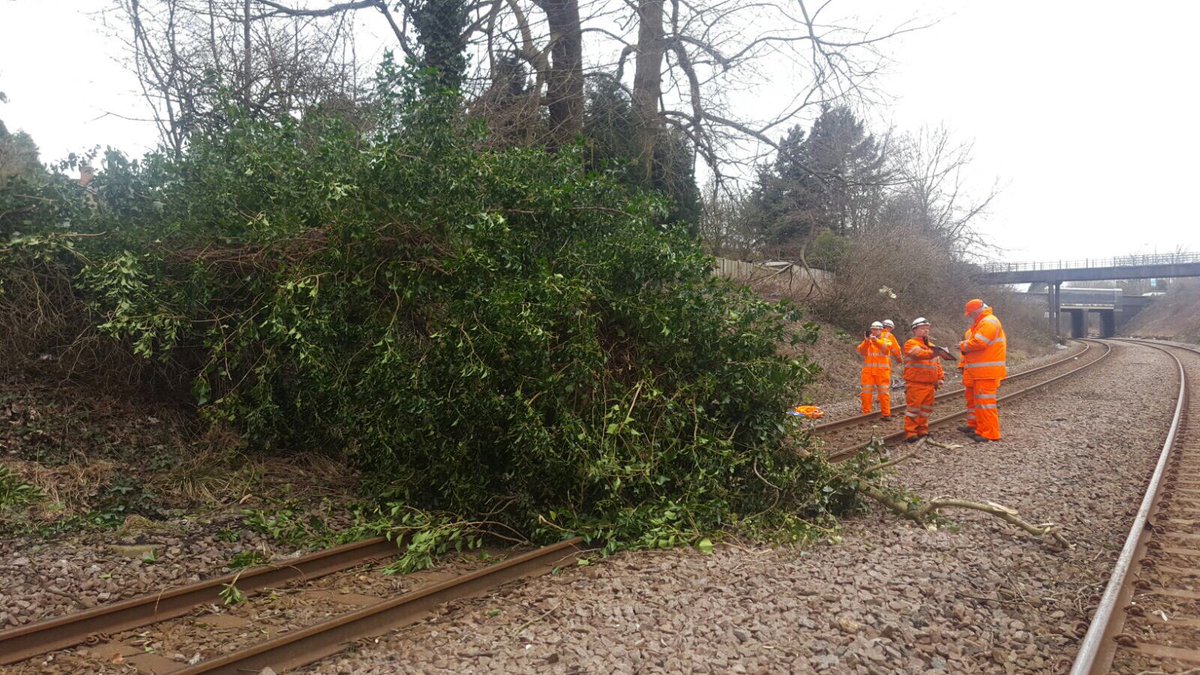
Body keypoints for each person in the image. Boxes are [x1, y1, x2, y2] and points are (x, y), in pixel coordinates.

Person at [959, 299, 1007, 442]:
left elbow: (980, 343)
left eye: (971, 314)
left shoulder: (988, 322)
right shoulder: (982, 323)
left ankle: (990, 433)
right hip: (981, 372)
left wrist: (963, 345)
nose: (971, 317)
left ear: (976, 311)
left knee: (986, 404)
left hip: (986, 372)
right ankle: (981, 430)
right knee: (981, 404)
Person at [902, 317, 946, 442]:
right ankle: (911, 433)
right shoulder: (911, 343)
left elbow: (937, 365)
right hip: (916, 384)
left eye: (927, 328)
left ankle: (922, 430)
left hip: (930, 385)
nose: (926, 331)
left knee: (926, 410)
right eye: (922, 328)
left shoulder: (932, 346)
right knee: (914, 410)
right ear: (915, 330)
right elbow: (919, 354)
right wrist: (935, 352)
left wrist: (940, 378)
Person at [856, 321, 894, 419]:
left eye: (877, 329)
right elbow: (861, 351)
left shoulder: (886, 340)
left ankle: (886, 414)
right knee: (866, 393)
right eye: (873, 329)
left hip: (882, 372)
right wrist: (866, 341)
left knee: (883, 394)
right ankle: (866, 413)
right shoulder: (868, 341)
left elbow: (886, 349)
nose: (875, 331)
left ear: (881, 330)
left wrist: (876, 341)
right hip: (869, 372)